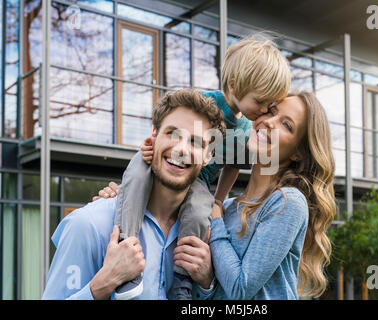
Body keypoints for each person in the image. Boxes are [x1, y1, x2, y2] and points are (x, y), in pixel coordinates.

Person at [97, 91, 337, 299]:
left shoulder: (288, 202)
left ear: (298, 153)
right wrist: (205, 279)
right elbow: (215, 293)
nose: (270, 122)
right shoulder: (229, 207)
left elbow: (240, 288)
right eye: (271, 111)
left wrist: (217, 219)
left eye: (287, 125)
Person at [111, 35, 291, 299]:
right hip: (164, 162)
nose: (264, 109)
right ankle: (125, 243)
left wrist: (218, 198)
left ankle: (182, 280)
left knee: (198, 212)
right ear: (234, 85)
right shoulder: (201, 102)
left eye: (269, 104)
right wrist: (150, 145)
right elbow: (167, 130)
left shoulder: (244, 129)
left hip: (198, 182)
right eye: (260, 101)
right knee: (136, 178)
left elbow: (232, 166)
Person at [42, 89, 225, 300]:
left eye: (195, 142)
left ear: (208, 156)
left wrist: (206, 283)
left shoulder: (208, 239)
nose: (181, 149)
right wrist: (102, 285)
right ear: (154, 136)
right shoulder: (87, 224)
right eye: (172, 134)